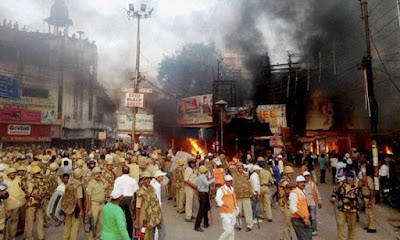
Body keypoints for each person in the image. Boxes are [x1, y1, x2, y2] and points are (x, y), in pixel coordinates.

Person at [331, 171, 360, 240]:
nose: (349, 178)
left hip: (353, 208)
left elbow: (360, 194)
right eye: (348, 177)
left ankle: (351, 238)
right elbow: (335, 191)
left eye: (351, 177)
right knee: (340, 224)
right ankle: (342, 238)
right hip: (342, 207)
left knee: (352, 226)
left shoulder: (357, 185)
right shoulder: (341, 183)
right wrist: (333, 198)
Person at [135, 171, 163, 240]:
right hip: (144, 218)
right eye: (146, 178)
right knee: (143, 235)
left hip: (151, 217)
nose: (148, 180)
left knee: (150, 235)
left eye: (149, 178)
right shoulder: (140, 192)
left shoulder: (152, 189)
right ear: (143, 180)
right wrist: (137, 222)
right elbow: (137, 207)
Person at [113, 166, 139, 238]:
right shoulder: (132, 180)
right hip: (130, 200)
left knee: (118, 219)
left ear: (122, 171)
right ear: (129, 171)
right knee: (129, 220)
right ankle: (129, 237)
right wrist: (133, 200)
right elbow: (136, 190)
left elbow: (115, 191)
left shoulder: (118, 180)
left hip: (121, 199)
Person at [25, 166, 47, 240]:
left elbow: (28, 193)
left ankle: (29, 237)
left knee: (29, 221)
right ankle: (41, 237)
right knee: (40, 220)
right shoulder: (44, 180)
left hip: (32, 203)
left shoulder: (31, 181)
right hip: (40, 203)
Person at [62, 168, 85, 240]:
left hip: (68, 208)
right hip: (76, 209)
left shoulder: (70, 184)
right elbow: (79, 199)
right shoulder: (79, 186)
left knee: (67, 225)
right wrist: (81, 210)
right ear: (80, 176)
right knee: (75, 227)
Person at [4, 167, 25, 239]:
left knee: (16, 220)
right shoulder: (4, 182)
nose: (12, 175)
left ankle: (12, 236)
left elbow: (21, 187)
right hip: (9, 205)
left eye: (14, 173)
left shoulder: (18, 179)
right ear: (7, 174)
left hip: (20, 203)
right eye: (10, 173)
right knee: (9, 221)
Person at [232, 162, 253, 232]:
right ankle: (239, 225)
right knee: (238, 211)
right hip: (238, 196)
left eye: (242, 167)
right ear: (237, 168)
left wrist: (251, 193)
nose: (241, 169)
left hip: (246, 195)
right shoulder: (234, 176)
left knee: (248, 211)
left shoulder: (246, 175)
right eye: (239, 167)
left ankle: (249, 225)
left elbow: (249, 184)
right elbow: (232, 185)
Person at [289, 175, 312, 240]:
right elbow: (293, 208)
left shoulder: (303, 192)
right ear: (297, 183)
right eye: (301, 182)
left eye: (304, 182)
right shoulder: (294, 193)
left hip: (304, 218)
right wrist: (304, 218)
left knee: (308, 237)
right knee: (304, 237)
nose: (303, 184)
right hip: (298, 219)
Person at [215, 175, 237, 240]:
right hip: (225, 212)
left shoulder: (232, 188)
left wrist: (237, 210)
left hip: (232, 211)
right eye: (229, 181)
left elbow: (234, 199)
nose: (230, 182)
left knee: (232, 230)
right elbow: (217, 197)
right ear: (225, 182)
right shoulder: (221, 189)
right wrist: (222, 204)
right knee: (228, 231)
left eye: (231, 181)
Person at [86, 167, 105, 240]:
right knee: (93, 223)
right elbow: (88, 197)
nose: (98, 175)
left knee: (100, 223)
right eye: (96, 173)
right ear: (93, 175)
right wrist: (89, 209)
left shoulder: (101, 182)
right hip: (94, 205)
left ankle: (97, 237)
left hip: (101, 205)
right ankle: (91, 238)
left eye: (99, 173)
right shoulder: (90, 184)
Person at [278, 166, 296, 240]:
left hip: (288, 204)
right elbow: (287, 186)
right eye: (290, 173)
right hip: (284, 204)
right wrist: (297, 185)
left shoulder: (288, 180)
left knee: (288, 223)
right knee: (287, 223)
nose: (291, 175)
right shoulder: (283, 180)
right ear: (286, 173)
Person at [194, 165, 214, 232]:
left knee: (205, 209)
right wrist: (214, 179)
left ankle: (206, 223)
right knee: (202, 210)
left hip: (202, 193)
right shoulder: (202, 176)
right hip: (203, 194)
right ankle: (197, 226)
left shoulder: (199, 176)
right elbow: (207, 183)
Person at [303, 171, 322, 236]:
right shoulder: (302, 184)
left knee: (313, 217)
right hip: (305, 203)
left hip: (312, 203)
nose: (307, 177)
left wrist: (319, 201)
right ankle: (309, 228)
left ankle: (314, 229)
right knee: (307, 217)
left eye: (308, 176)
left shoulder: (312, 184)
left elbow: (317, 192)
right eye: (305, 176)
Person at [150, 170, 167, 240]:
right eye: (161, 176)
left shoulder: (154, 184)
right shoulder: (156, 187)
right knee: (161, 228)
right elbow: (157, 199)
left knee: (153, 227)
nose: (162, 178)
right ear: (158, 177)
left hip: (154, 209)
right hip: (156, 209)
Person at [359, 166, 376, 233]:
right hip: (365, 198)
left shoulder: (369, 179)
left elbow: (371, 190)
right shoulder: (364, 179)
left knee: (370, 213)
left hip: (368, 198)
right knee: (367, 213)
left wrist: (370, 200)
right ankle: (369, 225)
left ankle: (372, 227)